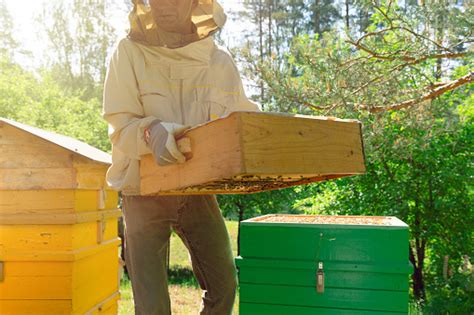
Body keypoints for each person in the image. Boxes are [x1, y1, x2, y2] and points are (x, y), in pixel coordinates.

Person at [102, 0, 259, 314]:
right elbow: (120, 126)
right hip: (142, 190)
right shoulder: (128, 52)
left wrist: (275, 133)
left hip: (197, 190)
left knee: (224, 287)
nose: (164, 5)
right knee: (152, 306)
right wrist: (152, 133)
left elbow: (240, 123)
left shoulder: (218, 60)